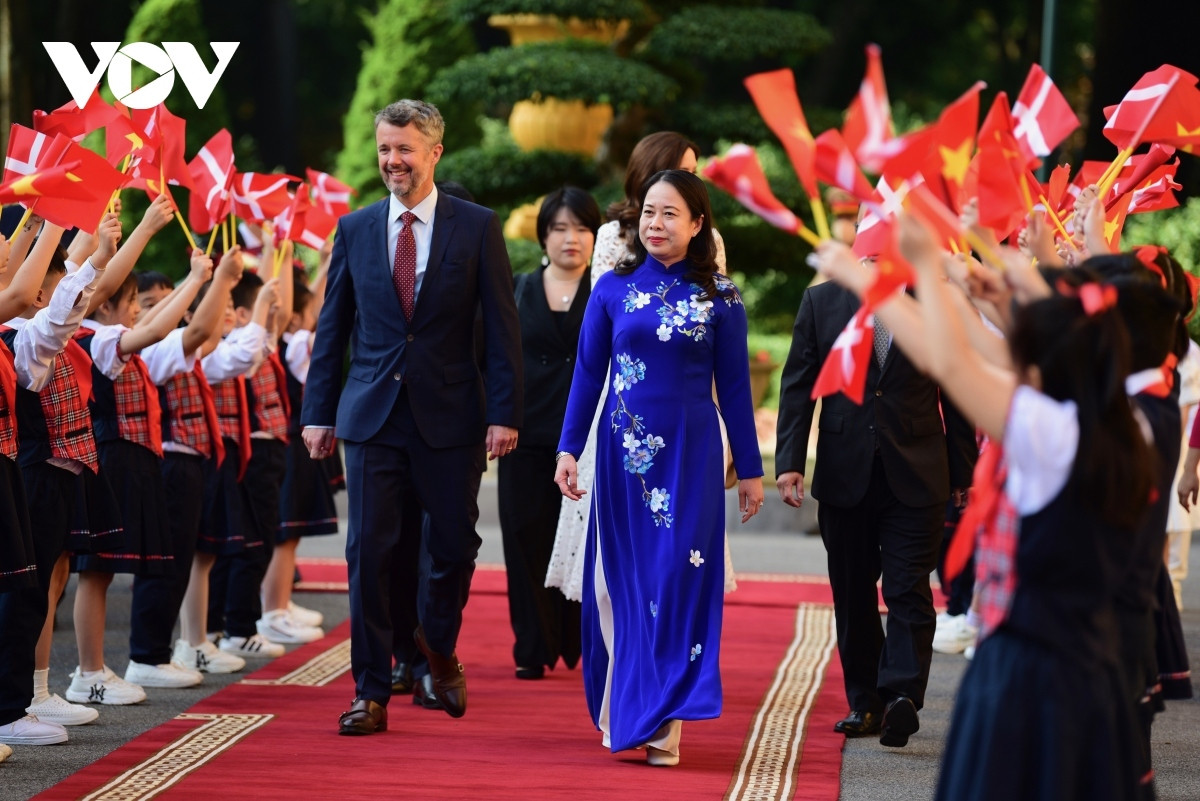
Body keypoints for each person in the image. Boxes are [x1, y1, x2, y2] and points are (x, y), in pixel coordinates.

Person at [816, 213, 1148, 800]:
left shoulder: (1051, 433)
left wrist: (890, 277)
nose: (1007, 341)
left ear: (1044, 362)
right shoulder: (1110, 422)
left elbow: (952, 361)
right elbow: (995, 342)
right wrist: (989, 272)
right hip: (1086, 665)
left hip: (1036, 670)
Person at [302, 99, 523, 736]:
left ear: (434, 153)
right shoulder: (355, 229)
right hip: (371, 416)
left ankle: (436, 648)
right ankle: (369, 691)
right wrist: (318, 411)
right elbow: (333, 329)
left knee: (453, 547)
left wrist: (503, 412)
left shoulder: (477, 227)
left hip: (452, 416)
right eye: (385, 150)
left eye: (405, 150)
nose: (393, 162)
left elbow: (502, 330)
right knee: (367, 554)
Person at [554, 169, 764, 766]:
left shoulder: (721, 297)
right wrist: (569, 449)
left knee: (675, 581)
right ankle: (627, 706)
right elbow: (589, 375)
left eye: (671, 213)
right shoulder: (612, 291)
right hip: (623, 459)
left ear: (698, 225)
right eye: (649, 212)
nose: (656, 224)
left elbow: (736, 391)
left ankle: (664, 720)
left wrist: (750, 469)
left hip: (691, 458)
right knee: (616, 587)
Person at [774, 216, 977, 748]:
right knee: (854, 594)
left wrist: (963, 471)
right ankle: (866, 702)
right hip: (845, 471)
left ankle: (903, 695)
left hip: (918, 469)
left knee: (909, 586)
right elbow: (797, 387)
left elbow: (956, 390)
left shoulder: (934, 305)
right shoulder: (822, 302)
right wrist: (791, 460)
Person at [547, 130, 733, 603]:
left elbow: (721, 358)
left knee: (681, 561)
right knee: (618, 568)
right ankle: (623, 664)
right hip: (625, 411)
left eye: (692, 174)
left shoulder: (715, 265)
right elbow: (595, 357)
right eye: (681, 170)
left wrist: (735, 447)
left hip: (689, 411)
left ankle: (674, 664)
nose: (689, 180)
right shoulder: (611, 248)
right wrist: (570, 445)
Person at [499, 187, 600, 680]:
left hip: (585, 439)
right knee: (525, 539)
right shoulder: (516, 288)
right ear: (543, 235)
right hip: (524, 433)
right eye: (559, 228)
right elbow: (494, 359)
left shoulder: (608, 290)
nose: (571, 239)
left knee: (583, 541)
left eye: (581, 228)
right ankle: (532, 646)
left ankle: (580, 642)